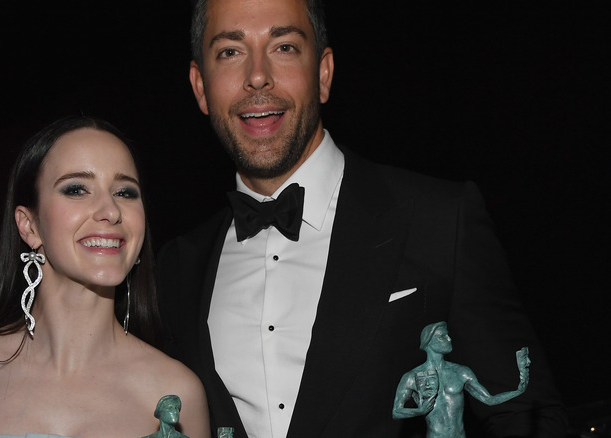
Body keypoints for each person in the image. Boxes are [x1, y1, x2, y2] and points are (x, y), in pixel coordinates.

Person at [156, 0, 568, 436]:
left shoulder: (440, 220)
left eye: (285, 47)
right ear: (201, 87)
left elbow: (527, 418)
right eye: (230, 52)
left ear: (324, 73)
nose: (258, 75)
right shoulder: (177, 269)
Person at [0, 116, 210, 438]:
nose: (110, 210)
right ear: (29, 225)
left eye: (125, 192)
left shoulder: (177, 395)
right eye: (77, 189)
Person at [392, 322, 531, 437]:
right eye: (442, 336)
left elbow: (489, 399)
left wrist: (518, 390)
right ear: (428, 342)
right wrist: (419, 411)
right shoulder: (412, 376)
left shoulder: (461, 372)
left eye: (448, 335)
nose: (449, 339)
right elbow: (396, 411)